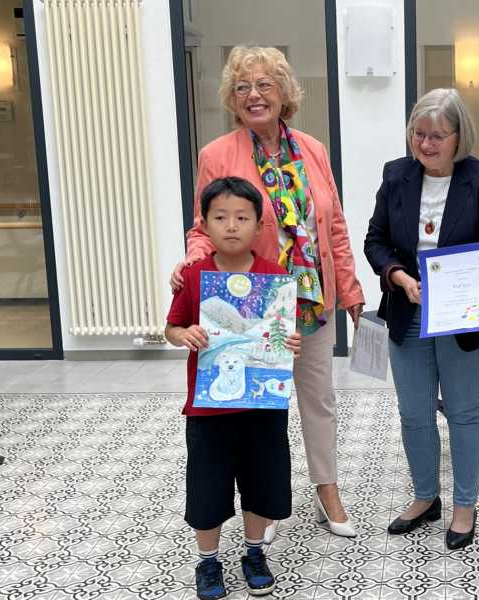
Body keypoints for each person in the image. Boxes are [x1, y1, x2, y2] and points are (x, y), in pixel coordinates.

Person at [169, 46, 365, 540]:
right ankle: (264, 505)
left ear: (284, 93)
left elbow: (334, 227)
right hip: (252, 302)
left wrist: (351, 287)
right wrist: (192, 261)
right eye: (243, 87)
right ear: (233, 100)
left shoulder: (313, 150)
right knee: (261, 408)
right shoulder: (217, 154)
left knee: (318, 399)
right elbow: (204, 225)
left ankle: (327, 489)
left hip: (311, 299)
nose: (254, 95)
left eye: (264, 85)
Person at [364, 88, 479, 550]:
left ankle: (465, 506)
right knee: (413, 413)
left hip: (463, 315)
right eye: (419, 134)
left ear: (458, 137)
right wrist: (395, 273)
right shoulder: (397, 175)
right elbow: (375, 239)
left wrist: (467, 279)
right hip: (407, 310)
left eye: (437, 136)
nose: (426, 144)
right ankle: (425, 498)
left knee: (464, 411)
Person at [166, 176, 302, 600]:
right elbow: (171, 327)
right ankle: (208, 562)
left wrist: (290, 342)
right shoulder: (193, 276)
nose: (231, 225)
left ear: (259, 225)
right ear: (204, 224)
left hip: (262, 407)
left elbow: (281, 338)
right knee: (208, 486)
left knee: (262, 481)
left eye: (241, 217)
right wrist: (183, 334)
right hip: (208, 410)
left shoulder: (275, 278)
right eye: (220, 216)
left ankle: (254, 552)